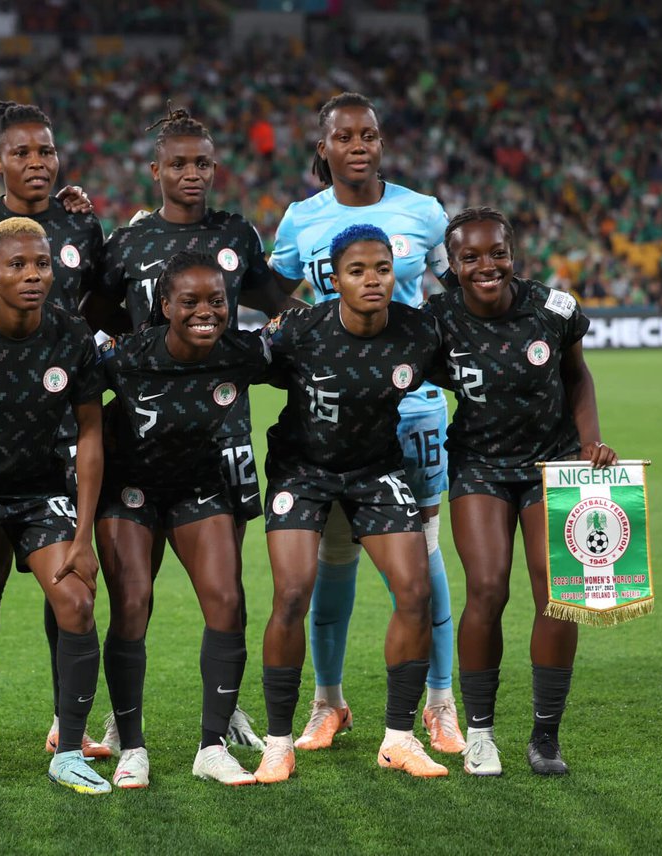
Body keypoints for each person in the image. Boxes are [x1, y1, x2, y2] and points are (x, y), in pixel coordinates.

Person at [83, 106, 292, 753]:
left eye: (202, 161)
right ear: (156, 171)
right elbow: (93, 313)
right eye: (178, 163)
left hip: (219, 442)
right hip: (140, 438)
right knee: (131, 600)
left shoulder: (238, 234)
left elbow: (279, 303)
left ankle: (224, 712)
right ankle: (121, 719)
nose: (192, 173)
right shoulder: (128, 244)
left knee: (223, 594)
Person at [268, 92, 463, 754]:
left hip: (414, 409)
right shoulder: (302, 219)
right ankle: (328, 704)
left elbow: (457, 298)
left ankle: (440, 703)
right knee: (334, 556)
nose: (358, 145)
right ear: (322, 147)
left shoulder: (424, 212)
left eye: (370, 135)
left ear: (382, 142)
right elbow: (274, 297)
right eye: (344, 136)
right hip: (330, 418)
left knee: (425, 551)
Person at [0, 101, 109, 764]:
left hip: (59, 426)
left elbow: (100, 304)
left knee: (62, 573)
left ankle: (62, 724)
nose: (37, 163)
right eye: (22, 153)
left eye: (46, 151)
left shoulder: (81, 223)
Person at [427, 207, 616, 776]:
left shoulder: (554, 309)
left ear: (514, 254)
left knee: (560, 591)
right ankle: (480, 734)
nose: (487, 265)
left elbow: (577, 375)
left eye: (497, 253)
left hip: (552, 462)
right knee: (486, 589)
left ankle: (545, 736)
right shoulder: (437, 319)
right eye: (470, 257)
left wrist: (592, 442)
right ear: (452, 264)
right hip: (479, 465)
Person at [257, 224, 448, 783]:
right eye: (358, 271)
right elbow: (232, 366)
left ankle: (399, 739)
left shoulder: (418, 333)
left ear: (396, 273)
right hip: (302, 470)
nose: (372, 280)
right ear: (333, 279)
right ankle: (277, 742)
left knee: (414, 590)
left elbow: (481, 372)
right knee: (292, 593)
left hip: (376, 471)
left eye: (382, 269)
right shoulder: (300, 331)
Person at [96, 252, 280, 789]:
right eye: (191, 301)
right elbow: (71, 396)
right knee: (131, 604)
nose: (206, 312)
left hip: (198, 485)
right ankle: (131, 746)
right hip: (128, 489)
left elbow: (304, 346)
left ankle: (212, 746)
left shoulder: (243, 353)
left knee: (227, 601)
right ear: (164, 305)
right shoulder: (127, 356)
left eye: (217, 301)